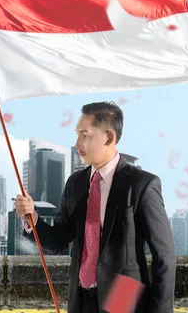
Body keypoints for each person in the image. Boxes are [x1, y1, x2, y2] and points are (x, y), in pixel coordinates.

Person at [14, 101, 176, 313]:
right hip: (80, 298)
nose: (77, 143)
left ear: (109, 137)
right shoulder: (75, 183)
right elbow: (58, 240)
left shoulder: (141, 184)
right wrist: (32, 219)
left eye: (85, 135)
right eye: (77, 134)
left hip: (124, 296)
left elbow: (164, 254)